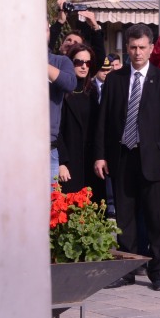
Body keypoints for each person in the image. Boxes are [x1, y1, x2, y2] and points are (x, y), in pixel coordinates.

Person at [93, 24, 160, 292]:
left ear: (151, 47)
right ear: (126, 48)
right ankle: (127, 270)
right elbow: (103, 122)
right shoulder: (115, 79)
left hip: (154, 161)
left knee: (156, 220)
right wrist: (100, 156)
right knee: (125, 220)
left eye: (142, 47)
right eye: (132, 47)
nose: (137, 52)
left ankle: (158, 272)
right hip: (122, 158)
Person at [56, 43, 106, 202]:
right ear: (70, 62)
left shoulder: (91, 90)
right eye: (78, 62)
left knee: (94, 207)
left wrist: (96, 29)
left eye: (88, 63)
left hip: (91, 159)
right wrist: (61, 161)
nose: (84, 67)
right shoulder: (61, 91)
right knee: (70, 208)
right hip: (70, 160)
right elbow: (55, 129)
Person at [49, 31, 77, 186]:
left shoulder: (60, 61)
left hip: (49, 149)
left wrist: (38, 60)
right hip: (15, 148)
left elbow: (69, 83)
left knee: (50, 207)